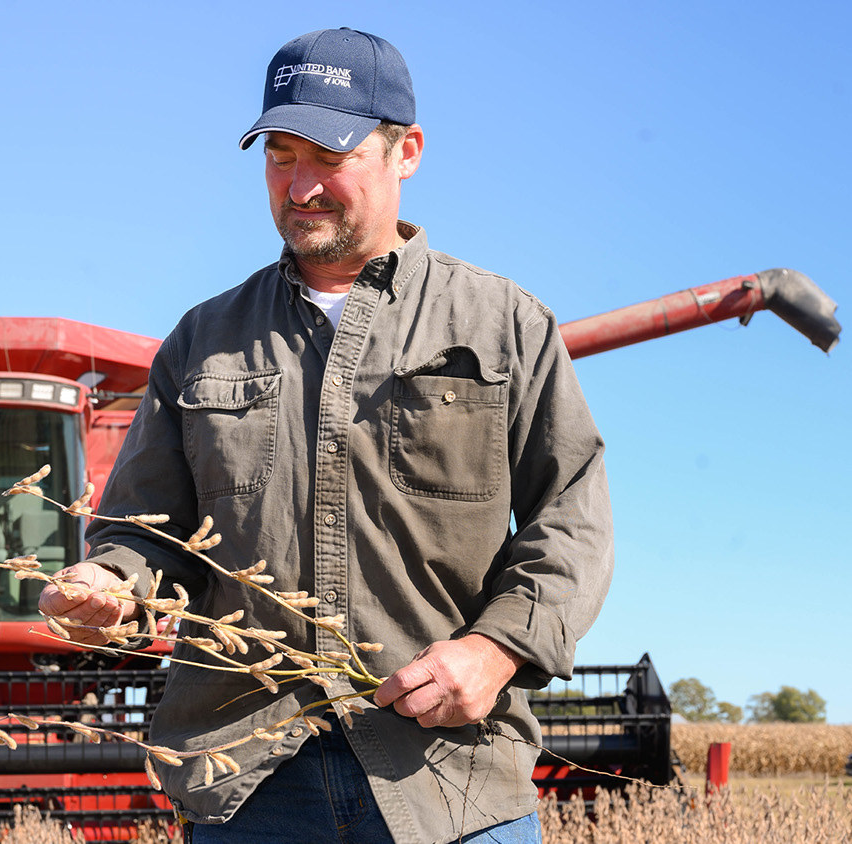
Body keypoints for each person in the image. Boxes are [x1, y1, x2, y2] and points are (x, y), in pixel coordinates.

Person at [39, 28, 612, 844]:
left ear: (405, 151)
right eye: (279, 155)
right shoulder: (202, 340)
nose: (299, 186)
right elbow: (144, 532)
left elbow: (571, 518)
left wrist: (494, 651)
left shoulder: (502, 325)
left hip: (446, 779)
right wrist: (108, 584)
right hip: (248, 785)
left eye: (329, 155)